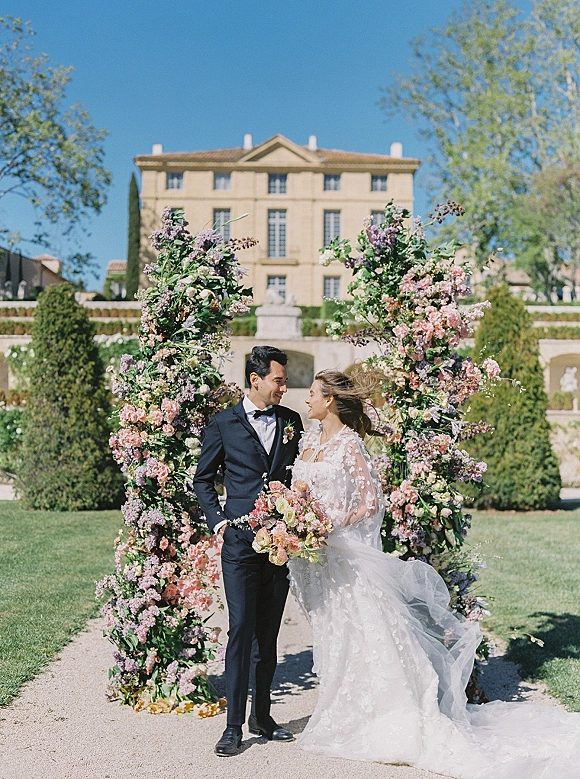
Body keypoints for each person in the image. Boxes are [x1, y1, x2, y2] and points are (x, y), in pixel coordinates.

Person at [289, 369, 580, 778]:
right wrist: (296, 521)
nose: (307, 400)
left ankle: (383, 717)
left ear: (331, 400)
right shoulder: (307, 440)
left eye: (314, 394)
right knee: (333, 633)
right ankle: (341, 707)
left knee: (361, 631)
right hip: (315, 560)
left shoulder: (348, 445)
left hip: (343, 556)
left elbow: (371, 504)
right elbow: (300, 493)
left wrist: (328, 526)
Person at [193, 345, 303, 756]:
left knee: (268, 635)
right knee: (240, 630)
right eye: (278, 379)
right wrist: (218, 519)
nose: (284, 386)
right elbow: (203, 479)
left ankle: (263, 716)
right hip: (239, 543)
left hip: (280, 545)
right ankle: (233, 725)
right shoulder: (222, 423)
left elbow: (298, 473)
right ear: (255, 380)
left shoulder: (291, 422)